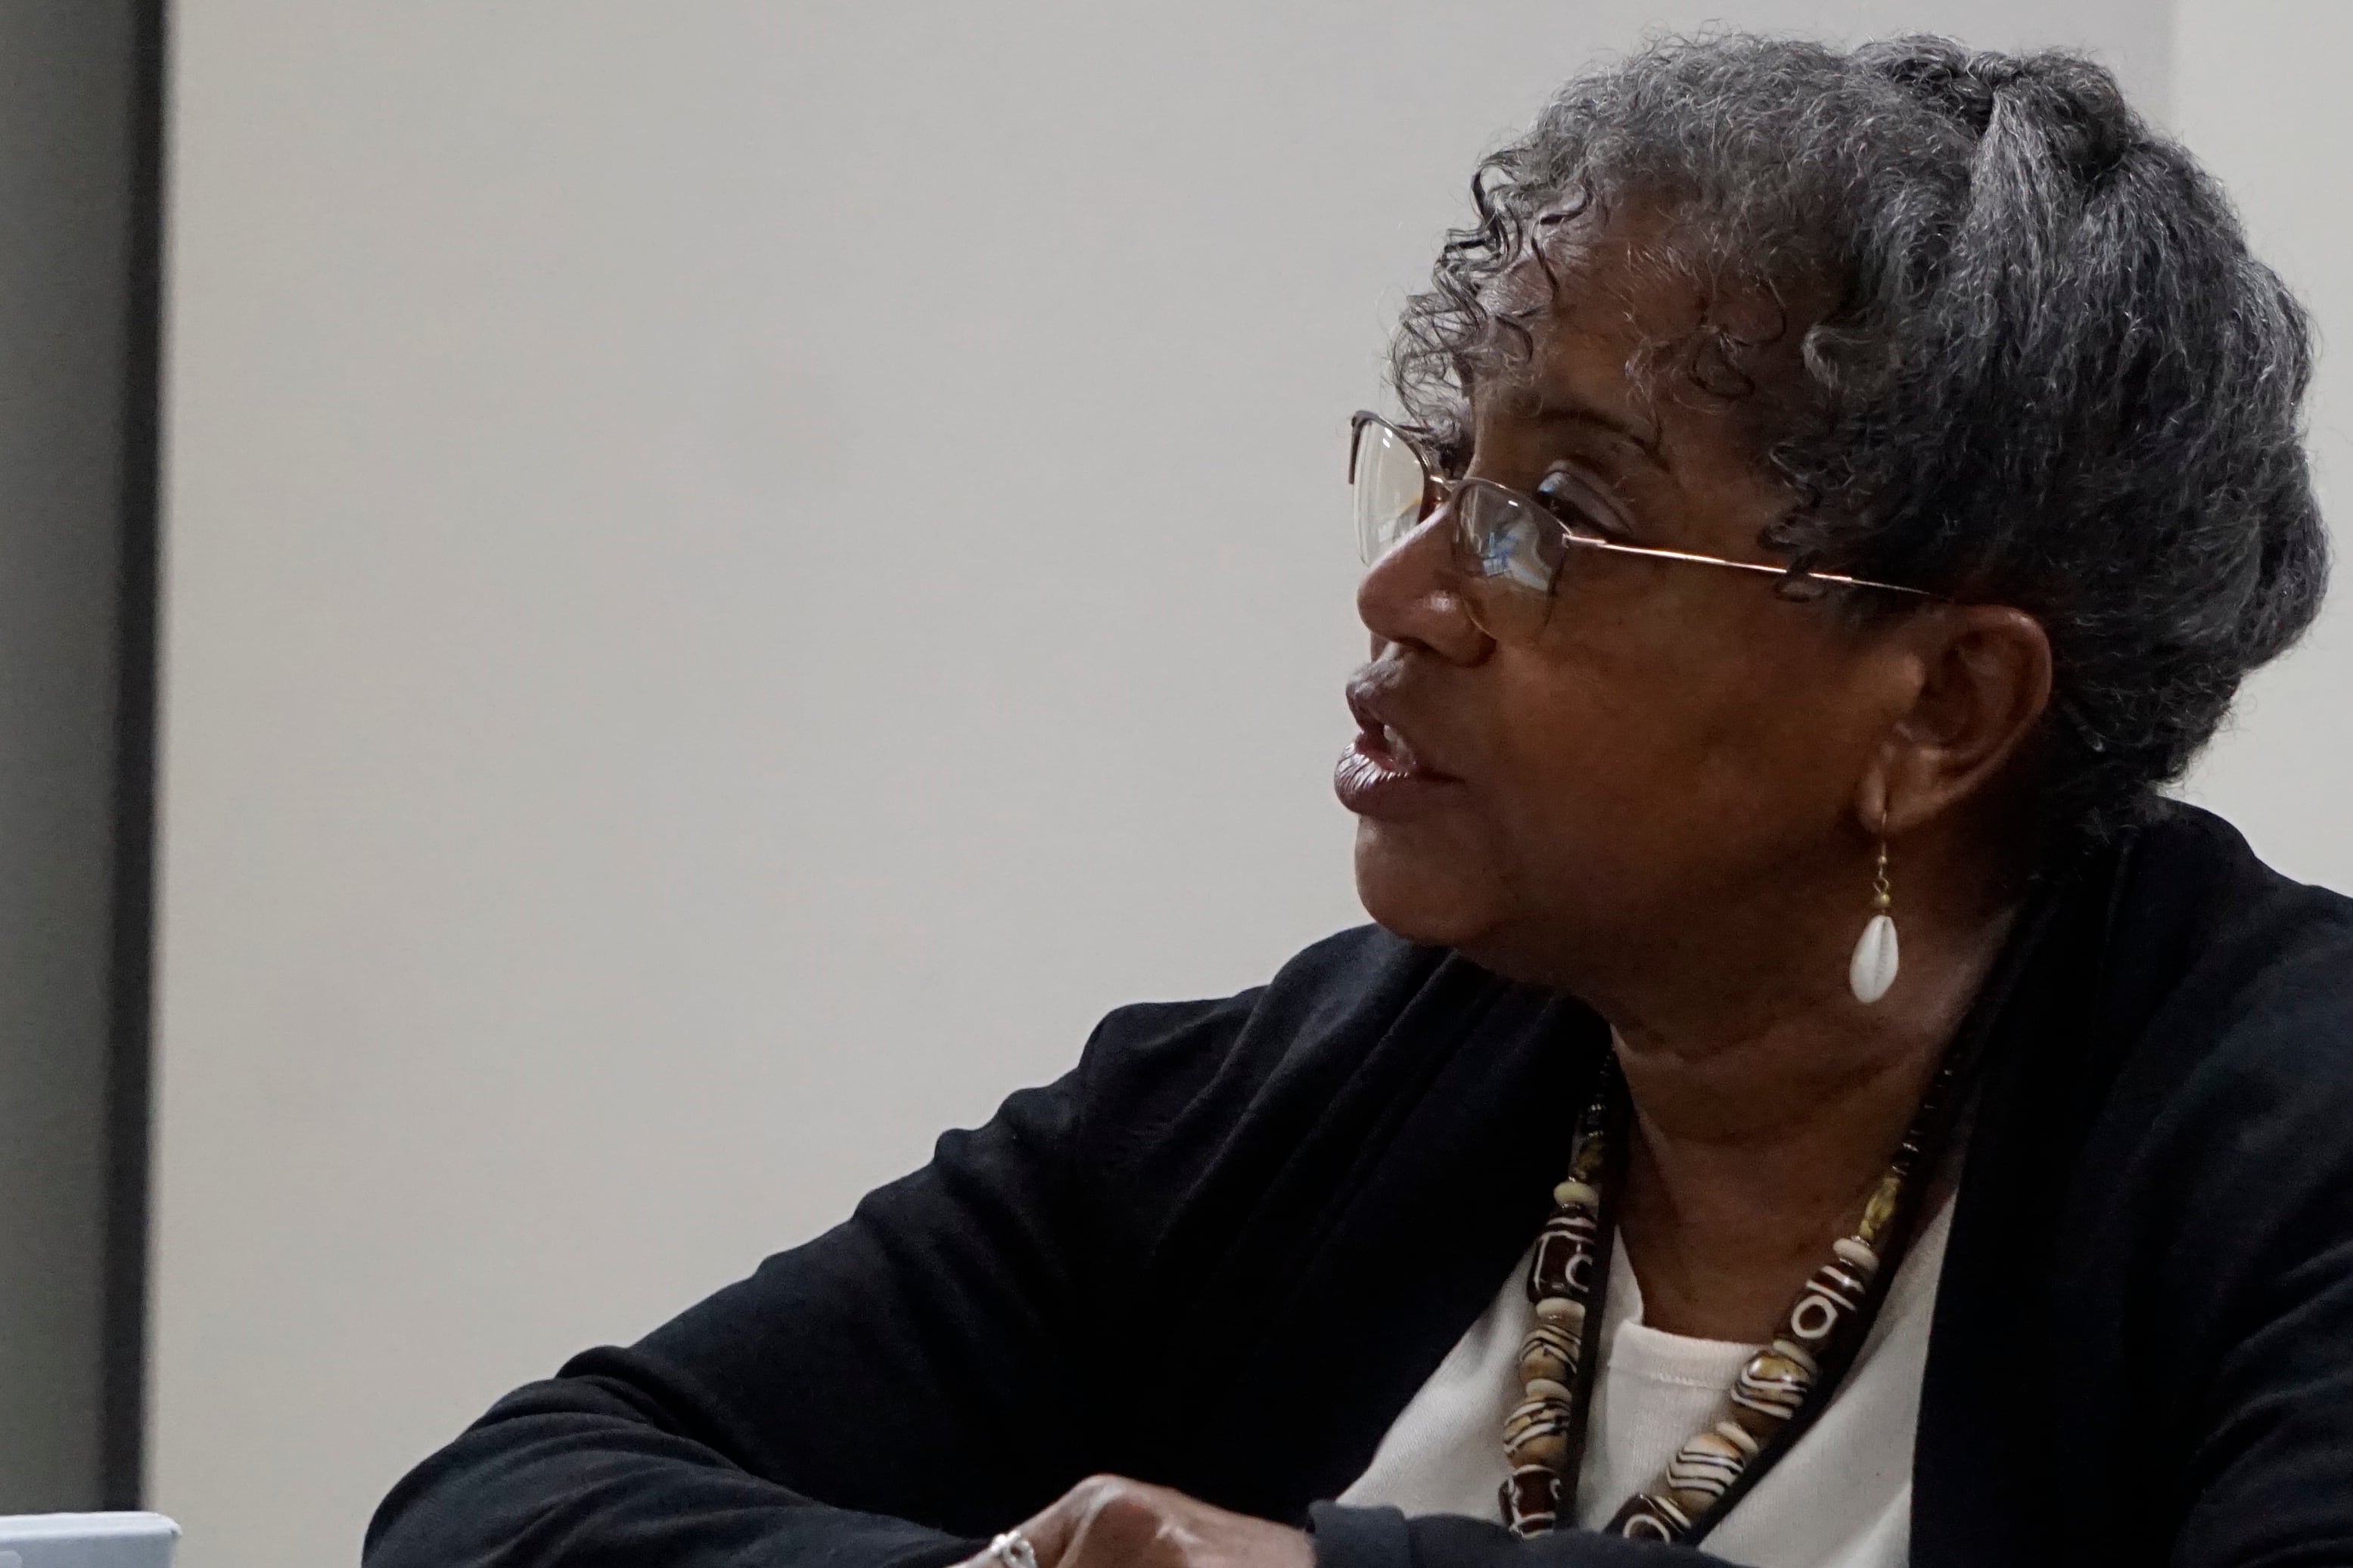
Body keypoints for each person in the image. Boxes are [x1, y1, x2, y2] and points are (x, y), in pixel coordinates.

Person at [365, 33, 2353, 1568]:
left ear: (1940, 703)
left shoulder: (2289, 1143)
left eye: (1556, 517)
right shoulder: (1324, 1096)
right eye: (1438, 470)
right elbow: (507, 1498)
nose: (1405, 592)